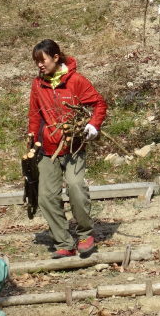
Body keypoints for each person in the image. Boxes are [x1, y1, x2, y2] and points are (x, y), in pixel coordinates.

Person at [27, 39, 107, 258]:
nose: (39, 66)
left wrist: (93, 125)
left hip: (72, 146)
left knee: (75, 187)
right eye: (36, 62)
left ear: (55, 57)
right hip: (47, 148)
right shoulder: (38, 84)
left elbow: (99, 103)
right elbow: (35, 115)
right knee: (45, 197)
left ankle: (85, 235)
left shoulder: (76, 81)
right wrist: (31, 143)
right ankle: (64, 241)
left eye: (42, 61)